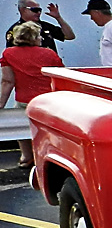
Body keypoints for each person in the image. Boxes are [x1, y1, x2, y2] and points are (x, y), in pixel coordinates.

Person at [0, 22, 64, 168]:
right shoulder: (49, 53)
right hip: (47, 100)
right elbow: (60, 75)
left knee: (18, 125)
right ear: (34, 37)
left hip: (25, 99)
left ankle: (26, 156)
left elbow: (7, 81)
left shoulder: (8, 53)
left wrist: (1, 103)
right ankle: (47, 156)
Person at [5, 0, 76, 52]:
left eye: (40, 10)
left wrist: (58, 18)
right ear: (24, 10)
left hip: (50, 66)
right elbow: (12, 53)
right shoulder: (15, 30)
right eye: (35, 10)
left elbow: (70, 36)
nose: (39, 13)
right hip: (31, 68)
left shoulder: (45, 26)